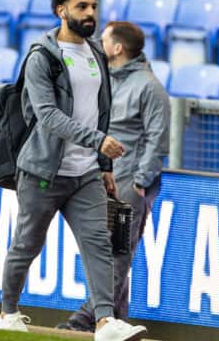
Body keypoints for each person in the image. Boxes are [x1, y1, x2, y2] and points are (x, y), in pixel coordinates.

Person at [0, 0, 148, 341]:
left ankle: (105, 322)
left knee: (98, 243)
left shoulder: (96, 53)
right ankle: (8, 311)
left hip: (85, 173)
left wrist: (104, 165)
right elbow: (47, 116)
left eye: (93, 6)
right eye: (82, 6)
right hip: (43, 171)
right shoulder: (41, 56)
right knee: (27, 245)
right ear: (61, 10)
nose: (90, 12)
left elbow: (102, 110)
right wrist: (98, 141)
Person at [58, 21, 170, 332]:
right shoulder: (104, 78)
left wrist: (141, 180)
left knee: (116, 251)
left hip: (129, 183)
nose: (97, 42)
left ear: (117, 48)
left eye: (103, 39)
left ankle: (89, 315)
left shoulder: (149, 87)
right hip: (102, 178)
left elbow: (157, 138)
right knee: (105, 248)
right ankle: (115, 322)